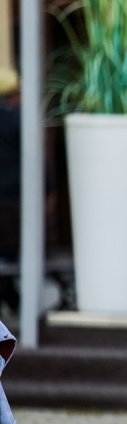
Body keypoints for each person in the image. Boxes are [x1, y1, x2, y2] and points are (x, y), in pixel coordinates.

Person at [0, 67, 21, 313]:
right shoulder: (17, 122)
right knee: (9, 254)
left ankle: (12, 299)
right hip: (15, 200)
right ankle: (14, 301)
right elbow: (34, 160)